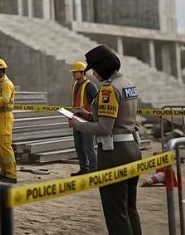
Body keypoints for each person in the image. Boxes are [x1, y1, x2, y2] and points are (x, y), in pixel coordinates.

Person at [69, 44, 142, 235]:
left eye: (93, 68)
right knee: (129, 208)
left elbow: (104, 128)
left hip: (114, 154)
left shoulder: (108, 89)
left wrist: (77, 124)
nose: (92, 72)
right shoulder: (127, 84)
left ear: (102, 67)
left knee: (116, 213)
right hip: (132, 148)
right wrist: (86, 115)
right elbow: (115, 119)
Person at [69, 61, 98, 176]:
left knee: (88, 147)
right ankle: (84, 169)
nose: (73, 74)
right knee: (79, 146)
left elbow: (97, 103)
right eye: (73, 72)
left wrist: (86, 111)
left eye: (75, 72)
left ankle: (93, 170)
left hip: (87, 121)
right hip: (76, 120)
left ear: (82, 72)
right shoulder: (75, 85)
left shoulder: (90, 86)